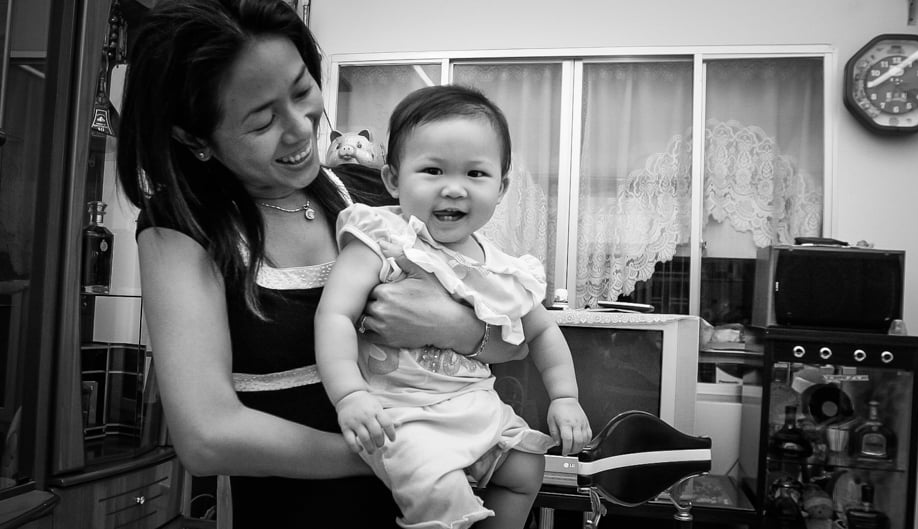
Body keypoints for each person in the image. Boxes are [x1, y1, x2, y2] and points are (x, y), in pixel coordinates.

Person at [115, 2, 523, 527]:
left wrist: (459, 328)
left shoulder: (375, 197)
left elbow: (519, 340)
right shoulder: (183, 228)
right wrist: (412, 459)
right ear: (194, 138)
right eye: (262, 121)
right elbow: (207, 437)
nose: (299, 128)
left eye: (303, 90)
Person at [315, 85, 592, 529]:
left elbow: (541, 331)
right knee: (439, 492)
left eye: (476, 174)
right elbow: (335, 315)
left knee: (526, 468)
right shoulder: (383, 239)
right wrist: (349, 394)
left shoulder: (503, 269)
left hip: (474, 403)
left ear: (501, 187)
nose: (454, 189)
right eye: (432, 170)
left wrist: (565, 397)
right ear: (392, 179)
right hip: (400, 414)